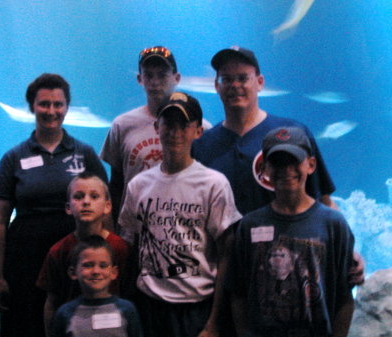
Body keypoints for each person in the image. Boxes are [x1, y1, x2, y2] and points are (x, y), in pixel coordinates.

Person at [192, 46, 364, 286]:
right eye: (227, 79)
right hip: (228, 275)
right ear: (216, 86)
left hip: (295, 267)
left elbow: (323, 201)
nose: (235, 85)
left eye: (243, 78)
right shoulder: (202, 146)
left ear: (260, 82)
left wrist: (349, 251)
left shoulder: (293, 134)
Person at [0, 73, 108, 337]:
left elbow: (105, 209)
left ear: (67, 107)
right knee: (26, 325)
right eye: (44, 104)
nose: (51, 111)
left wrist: (107, 257)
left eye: (58, 104)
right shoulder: (13, 158)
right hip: (24, 259)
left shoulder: (85, 153)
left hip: (76, 255)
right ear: (32, 107)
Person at [118, 92, 242, 337]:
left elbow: (227, 253)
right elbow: (128, 247)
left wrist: (214, 322)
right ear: (157, 127)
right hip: (148, 305)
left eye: (183, 125)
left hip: (196, 308)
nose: (175, 132)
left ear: (198, 131)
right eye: (168, 124)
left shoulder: (213, 184)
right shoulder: (138, 185)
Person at [227, 126, 355, 336]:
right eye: (277, 162)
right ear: (265, 168)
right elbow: (238, 294)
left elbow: (344, 297)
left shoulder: (334, 224)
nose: (286, 169)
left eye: (294, 161)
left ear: (311, 165)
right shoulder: (250, 225)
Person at [100, 46, 211, 223]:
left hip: (184, 226)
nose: (155, 81)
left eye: (162, 75)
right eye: (149, 75)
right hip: (135, 228)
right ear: (139, 79)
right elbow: (116, 184)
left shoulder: (200, 127)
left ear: (177, 78)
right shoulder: (122, 125)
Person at [36, 172, 129, 337]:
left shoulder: (121, 248)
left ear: (107, 206)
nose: (86, 202)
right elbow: (51, 303)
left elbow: (129, 296)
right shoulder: (58, 251)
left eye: (94, 196)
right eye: (78, 197)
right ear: (68, 207)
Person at [52, 235, 143, 337]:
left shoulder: (127, 309)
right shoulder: (65, 313)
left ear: (113, 272)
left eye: (103, 266)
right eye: (88, 265)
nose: (96, 271)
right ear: (73, 273)